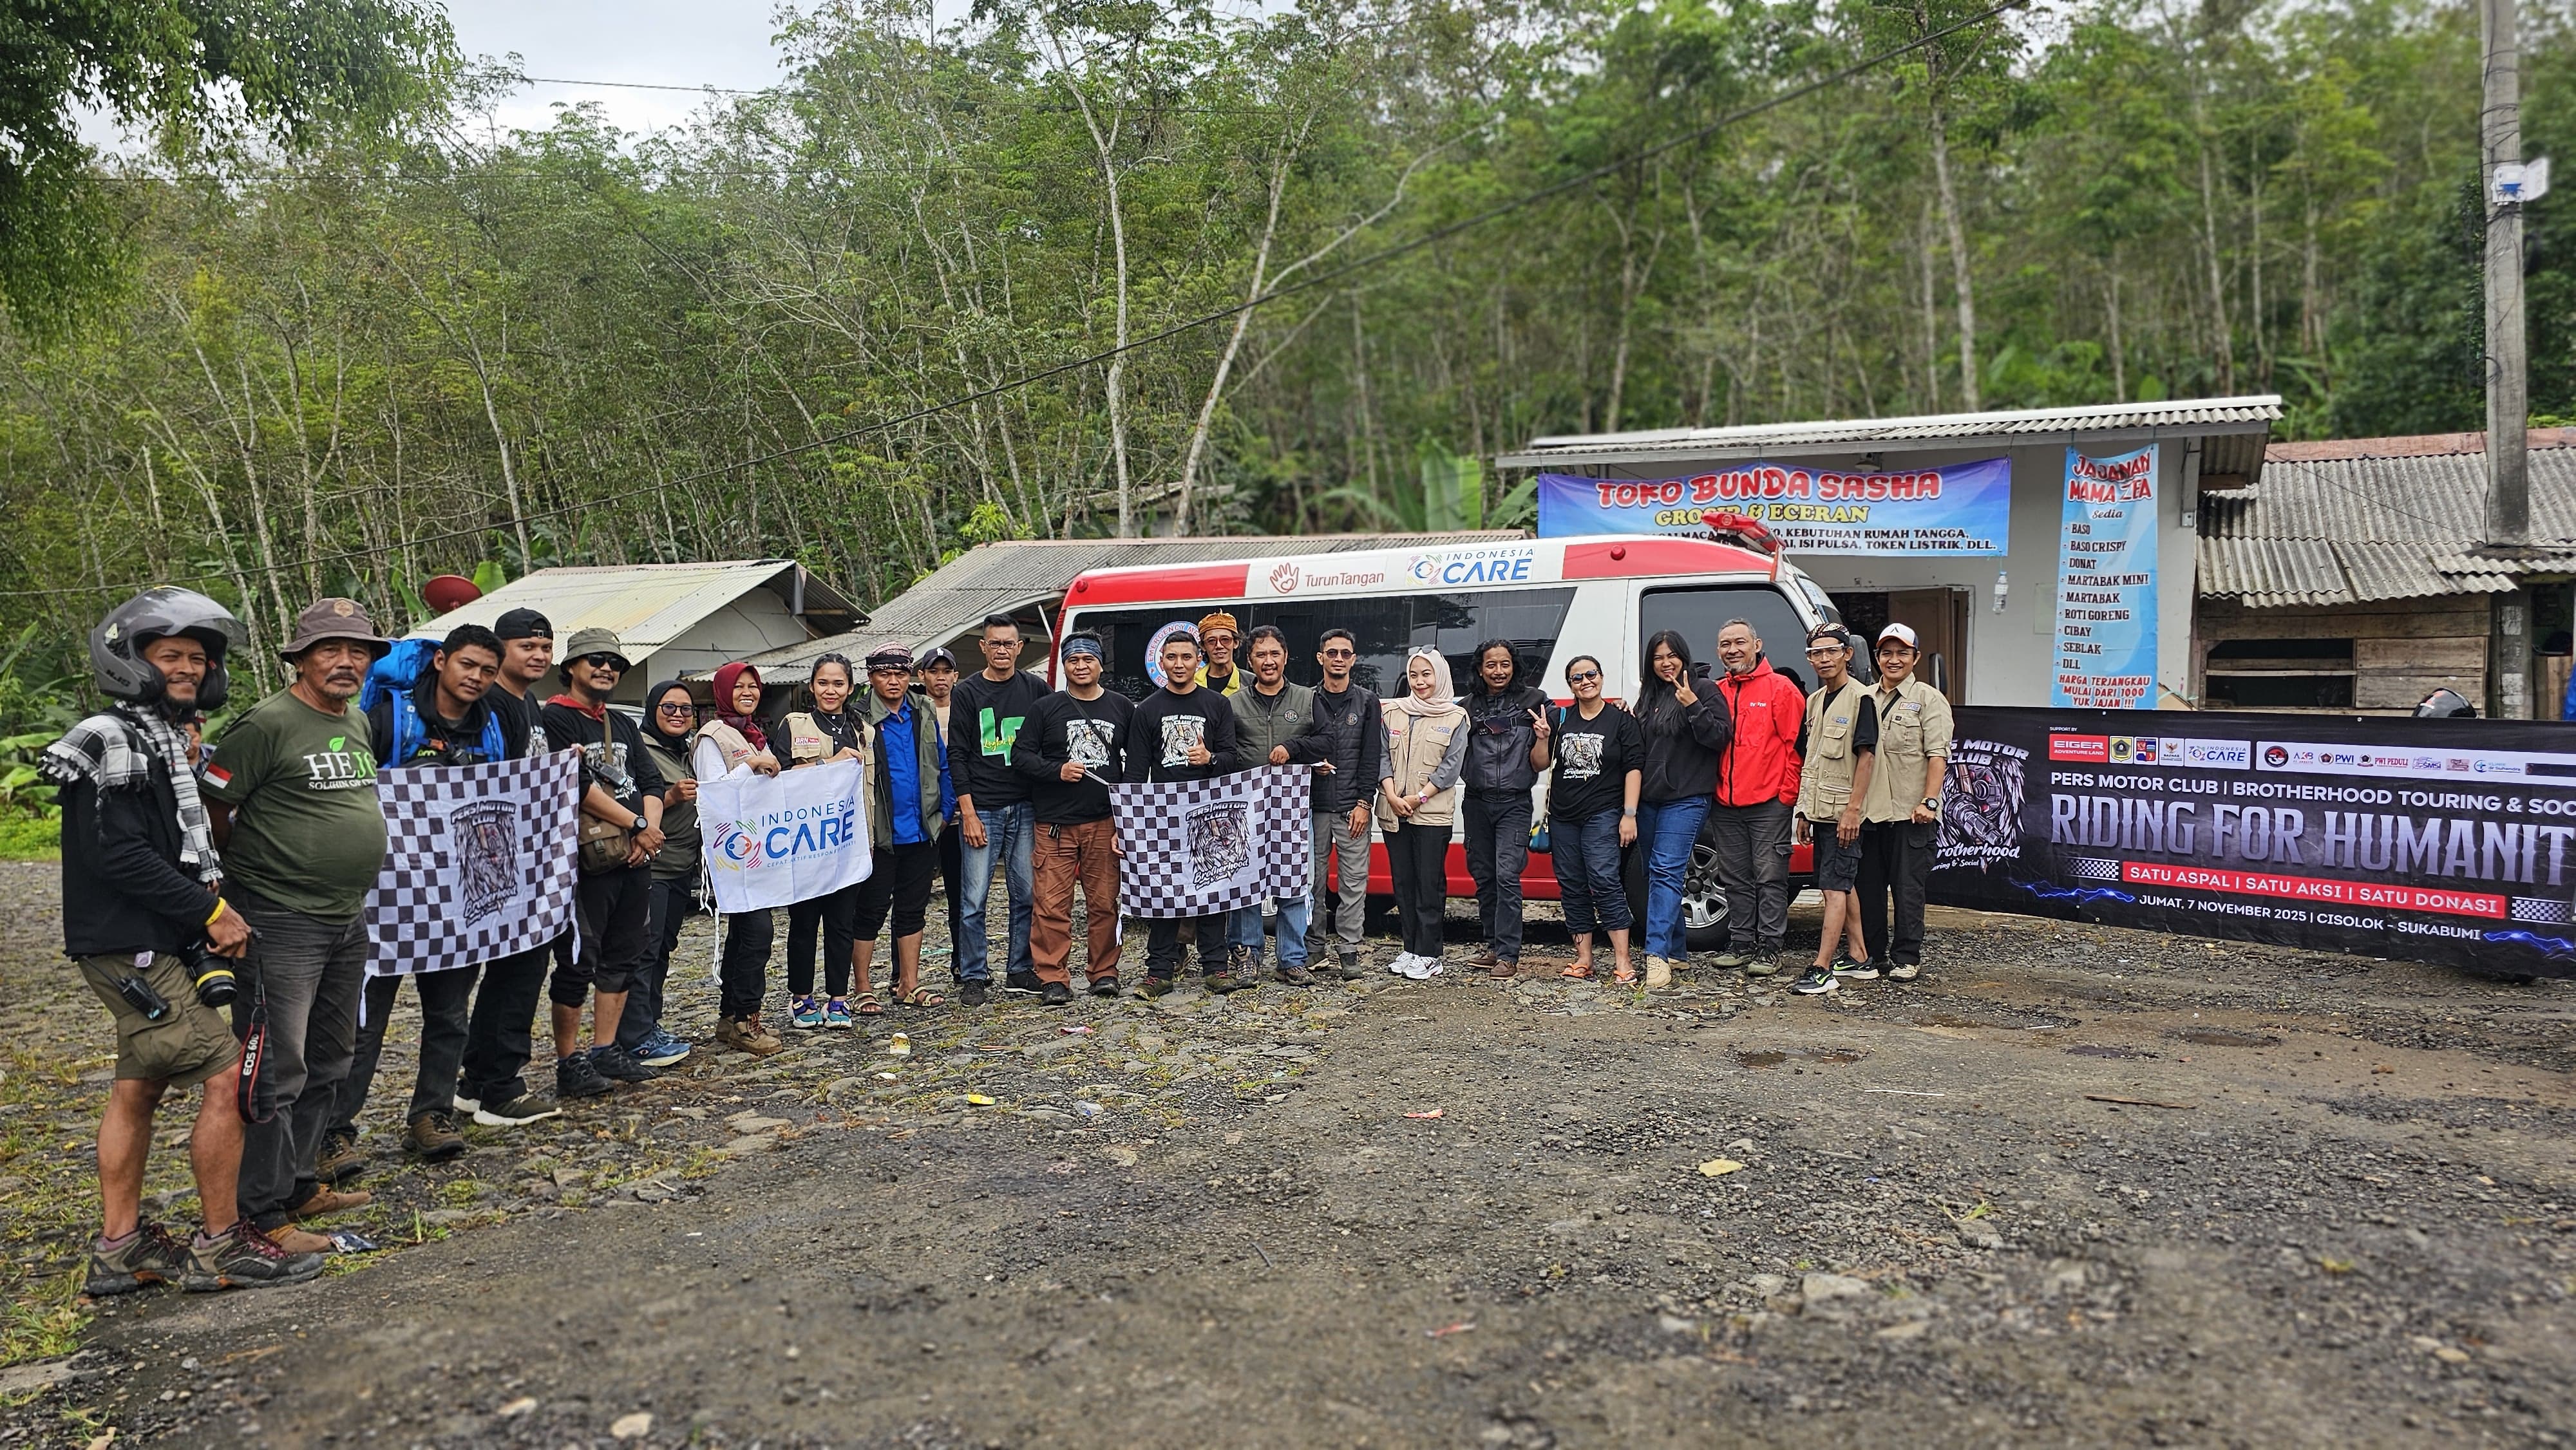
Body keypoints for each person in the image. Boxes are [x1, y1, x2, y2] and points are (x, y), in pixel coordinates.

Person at [48, 587, 325, 1294]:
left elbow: (172, 840)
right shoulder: (111, 738)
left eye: (198, 658)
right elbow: (120, 856)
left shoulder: (161, 740)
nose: (188, 668)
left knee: (136, 1089)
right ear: (129, 660)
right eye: (170, 655)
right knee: (226, 1078)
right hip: (132, 945)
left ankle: (121, 1245)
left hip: (145, 945)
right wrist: (212, 913)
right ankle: (221, 1244)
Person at [200, 597, 391, 1249]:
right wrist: (249, 876)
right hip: (279, 920)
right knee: (275, 1069)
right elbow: (216, 807)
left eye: (357, 649)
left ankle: (301, 1181)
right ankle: (262, 1210)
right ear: (301, 659)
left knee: (330, 1059)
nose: (345, 661)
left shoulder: (358, 720)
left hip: (345, 916)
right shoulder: (267, 723)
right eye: (329, 649)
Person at [331, 623, 529, 1171]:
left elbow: (507, 795)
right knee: (365, 1021)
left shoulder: (493, 724)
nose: (478, 678)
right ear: (442, 661)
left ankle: (432, 1115)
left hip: (458, 895)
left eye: (489, 671)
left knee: (449, 1016)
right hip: (386, 894)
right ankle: (334, 1130)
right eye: (469, 665)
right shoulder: (390, 718)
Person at [539, 628, 667, 1091]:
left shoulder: (622, 723)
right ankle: (569, 1059)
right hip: (583, 861)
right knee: (578, 959)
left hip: (634, 857)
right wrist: (637, 827)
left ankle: (606, 1048)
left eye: (613, 661)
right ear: (570, 667)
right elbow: (572, 783)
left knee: (625, 954)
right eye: (594, 659)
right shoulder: (555, 719)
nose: (605, 668)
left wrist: (648, 832)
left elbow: (651, 782)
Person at [454, 607, 567, 1127]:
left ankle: (480, 1080)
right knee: (514, 970)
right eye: (527, 646)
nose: (539, 655)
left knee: (519, 966)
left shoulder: (531, 704)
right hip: (495, 857)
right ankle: (499, 1086)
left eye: (546, 646)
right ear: (502, 651)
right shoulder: (491, 705)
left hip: (533, 856)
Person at [1124, 629, 1252, 995]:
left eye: (1186, 657)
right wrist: (1128, 823)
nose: (1179, 664)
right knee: (1165, 891)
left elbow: (1232, 757)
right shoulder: (1147, 709)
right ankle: (1159, 971)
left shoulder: (1216, 705)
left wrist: (1209, 758)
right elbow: (1135, 770)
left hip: (1209, 811)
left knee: (1213, 888)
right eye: (1172, 658)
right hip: (1163, 813)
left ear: (1199, 661)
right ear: (1161, 663)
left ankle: (1216, 966)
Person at [1016, 631, 1134, 1002]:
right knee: (1051, 905)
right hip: (1055, 825)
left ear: (1101, 664)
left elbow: (1137, 764)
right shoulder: (1045, 709)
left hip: (1104, 822)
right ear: (1064, 665)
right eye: (1073, 661)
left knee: (1104, 903)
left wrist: (1127, 820)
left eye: (1088, 660)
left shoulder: (1122, 708)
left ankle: (1104, 972)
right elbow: (1021, 757)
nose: (1081, 666)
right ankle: (1053, 977)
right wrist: (1057, 772)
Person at [951, 616, 1047, 1006]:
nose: (1003, 650)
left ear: (1020, 647)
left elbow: (1047, 746)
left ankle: (1020, 968)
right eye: (995, 644)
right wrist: (968, 813)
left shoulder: (1036, 689)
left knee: (1025, 893)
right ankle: (974, 973)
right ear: (984, 647)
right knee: (973, 899)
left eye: (1009, 644)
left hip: (1025, 806)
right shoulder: (967, 692)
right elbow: (956, 754)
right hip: (984, 807)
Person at [690, 666, 785, 1055]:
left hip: (756, 851)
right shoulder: (712, 737)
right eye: (739, 687)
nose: (748, 693)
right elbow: (710, 794)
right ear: (723, 692)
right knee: (758, 933)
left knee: (745, 934)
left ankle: (730, 1018)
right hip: (730, 854)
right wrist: (751, 767)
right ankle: (748, 1020)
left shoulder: (753, 733)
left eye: (754, 687)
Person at [1631, 630, 1734, 988]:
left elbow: (1720, 737)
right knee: (1655, 874)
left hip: (1687, 797)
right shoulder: (1648, 696)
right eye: (1658, 657)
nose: (1666, 663)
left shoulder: (1704, 689)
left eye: (1672, 655)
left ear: (1684, 656)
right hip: (1648, 800)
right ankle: (1676, 951)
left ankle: (1656, 956)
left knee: (1665, 870)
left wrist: (1692, 704)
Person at [1707, 618, 1805, 979]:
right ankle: (1741, 943)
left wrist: (1786, 796)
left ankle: (1770, 948)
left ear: (1757, 644)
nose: (1732, 650)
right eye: (1724, 644)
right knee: (1734, 877)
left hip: (1768, 803)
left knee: (1770, 877)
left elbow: (1797, 747)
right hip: (1725, 804)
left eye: (1739, 642)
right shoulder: (1715, 690)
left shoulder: (1781, 689)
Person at [775, 657, 869, 1025]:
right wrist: (829, 763)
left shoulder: (863, 729)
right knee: (803, 925)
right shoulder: (794, 725)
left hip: (846, 844)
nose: (831, 691)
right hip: (804, 845)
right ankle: (800, 997)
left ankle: (839, 998)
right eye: (824, 683)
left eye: (839, 684)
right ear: (812, 686)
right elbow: (780, 776)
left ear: (850, 687)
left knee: (842, 923)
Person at [855, 646, 952, 1009]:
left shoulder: (922, 708)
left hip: (923, 827)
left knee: (913, 908)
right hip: (879, 833)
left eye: (900, 674)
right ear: (872, 678)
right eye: (884, 674)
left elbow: (943, 762)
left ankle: (908, 984)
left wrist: (944, 811)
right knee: (871, 909)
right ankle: (862, 986)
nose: (893, 681)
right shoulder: (858, 716)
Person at [1857, 624, 1951, 984]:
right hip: (1872, 813)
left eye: (1902, 653)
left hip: (1911, 814)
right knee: (1869, 887)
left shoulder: (1929, 699)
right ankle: (1873, 954)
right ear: (1878, 658)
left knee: (1907, 888)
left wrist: (1929, 801)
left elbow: (1937, 755)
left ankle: (1906, 956)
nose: (1893, 660)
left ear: (1914, 657)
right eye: (1886, 653)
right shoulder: (1864, 697)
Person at [1286, 628, 1380, 979]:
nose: (1338, 659)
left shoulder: (1368, 701)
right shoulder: (1306, 699)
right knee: (1311, 880)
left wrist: (1363, 803)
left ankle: (1349, 949)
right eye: (1332, 653)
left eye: (1345, 653)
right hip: (1312, 805)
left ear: (1353, 659)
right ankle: (1313, 947)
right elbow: (1298, 749)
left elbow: (1372, 756)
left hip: (1352, 806)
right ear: (1320, 658)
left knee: (1354, 882)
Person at [633, 680, 720, 1060]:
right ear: (653, 709)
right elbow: (627, 804)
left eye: (686, 710)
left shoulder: (688, 751)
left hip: (682, 866)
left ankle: (650, 1023)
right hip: (652, 867)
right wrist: (669, 797)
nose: (679, 715)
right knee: (644, 952)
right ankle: (636, 1033)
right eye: (669, 708)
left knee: (664, 948)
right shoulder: (640, 749)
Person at [1226, 626, 1316, 984]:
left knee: (1293, 881)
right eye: (1260, 655)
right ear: (1250, 661)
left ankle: (1292, 958)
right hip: (1245, 808)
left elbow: (1325, 740)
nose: (1268, 661)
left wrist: (1295, 750)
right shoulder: (1233, 704)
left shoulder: (1308, 700)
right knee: (1246, 882)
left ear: (1286, 657)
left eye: (1274, 654)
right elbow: (1226, 753)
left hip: (1292, 806)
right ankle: (1248, 956)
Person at [1792, 626, 1879, 997]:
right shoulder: (1814, 701)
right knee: (1842, 885)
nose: (1824, 659)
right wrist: (1803, 811)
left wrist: (1853, 810)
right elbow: (1809, 761)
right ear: (1809, 659)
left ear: (1848, 654)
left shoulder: (1863, 700)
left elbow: (1867, 757)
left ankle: (1822, 967)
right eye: (1816, 653)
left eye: (1832, 651)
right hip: (1819, 809)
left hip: (1845, 813)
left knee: (1833, 889)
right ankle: (1859, 956)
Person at [1546, 654, 1642, 983]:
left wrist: (1629, 814)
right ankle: (1584, 958)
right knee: (1571, 885)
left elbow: (1633, 767)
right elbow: (1540, 763)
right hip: (1562, 817)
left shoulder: (1621, 720)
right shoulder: (1559, 719)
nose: (1586, 681)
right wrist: (1543, 737)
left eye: (1591, 674)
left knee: (1604, 881)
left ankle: (1623, 961)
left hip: (1603, 813)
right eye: (1577, 677)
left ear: (1602, 677)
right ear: (1569, 684)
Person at [1460, 640, 1550, 978]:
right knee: (1484, 876)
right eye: (1491, 665)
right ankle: (1492, 945)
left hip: (1514, 802)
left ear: (1514, 667)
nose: (1498, 671)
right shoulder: (1465, 707)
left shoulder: (1536, 702)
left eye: (1505, 664)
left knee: (1507, 875)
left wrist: (1543, 737)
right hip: (1477, 802)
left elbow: (1546, 757)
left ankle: (1509, 955)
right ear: (1480, 669)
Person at [1377, 647, 1468, 980]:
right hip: (1393, 810)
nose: (1420, 682)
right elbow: (1381, 759)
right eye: (1414, 675)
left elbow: (1450, 768)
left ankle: (1430, 954)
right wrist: (1391, 794)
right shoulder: (1392, 713)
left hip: (1431, 813)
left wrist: (1417, 798)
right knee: (1403, 883)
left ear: (1440, 676)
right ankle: (1410, 947)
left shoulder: (1456, 717)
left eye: (1426, 675)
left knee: (1429, 884)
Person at [920, 646, 967, 972]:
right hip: (922, 818)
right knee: (913, 897)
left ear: (955, 676)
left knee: (961, 894)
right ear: (922, 676)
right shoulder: (913, 713)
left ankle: (963, 960)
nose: (941, 678)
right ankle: (903, 972)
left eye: (946, 671)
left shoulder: (965, 711)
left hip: (960, 818)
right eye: (933, 672)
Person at [1195, 611, 1246, 696]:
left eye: (1225, 640)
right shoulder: (1191, 683)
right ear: (1203, 646)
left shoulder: (1251, 682)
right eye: (1211, 641)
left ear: (1236, 643)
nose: (1219, 646)